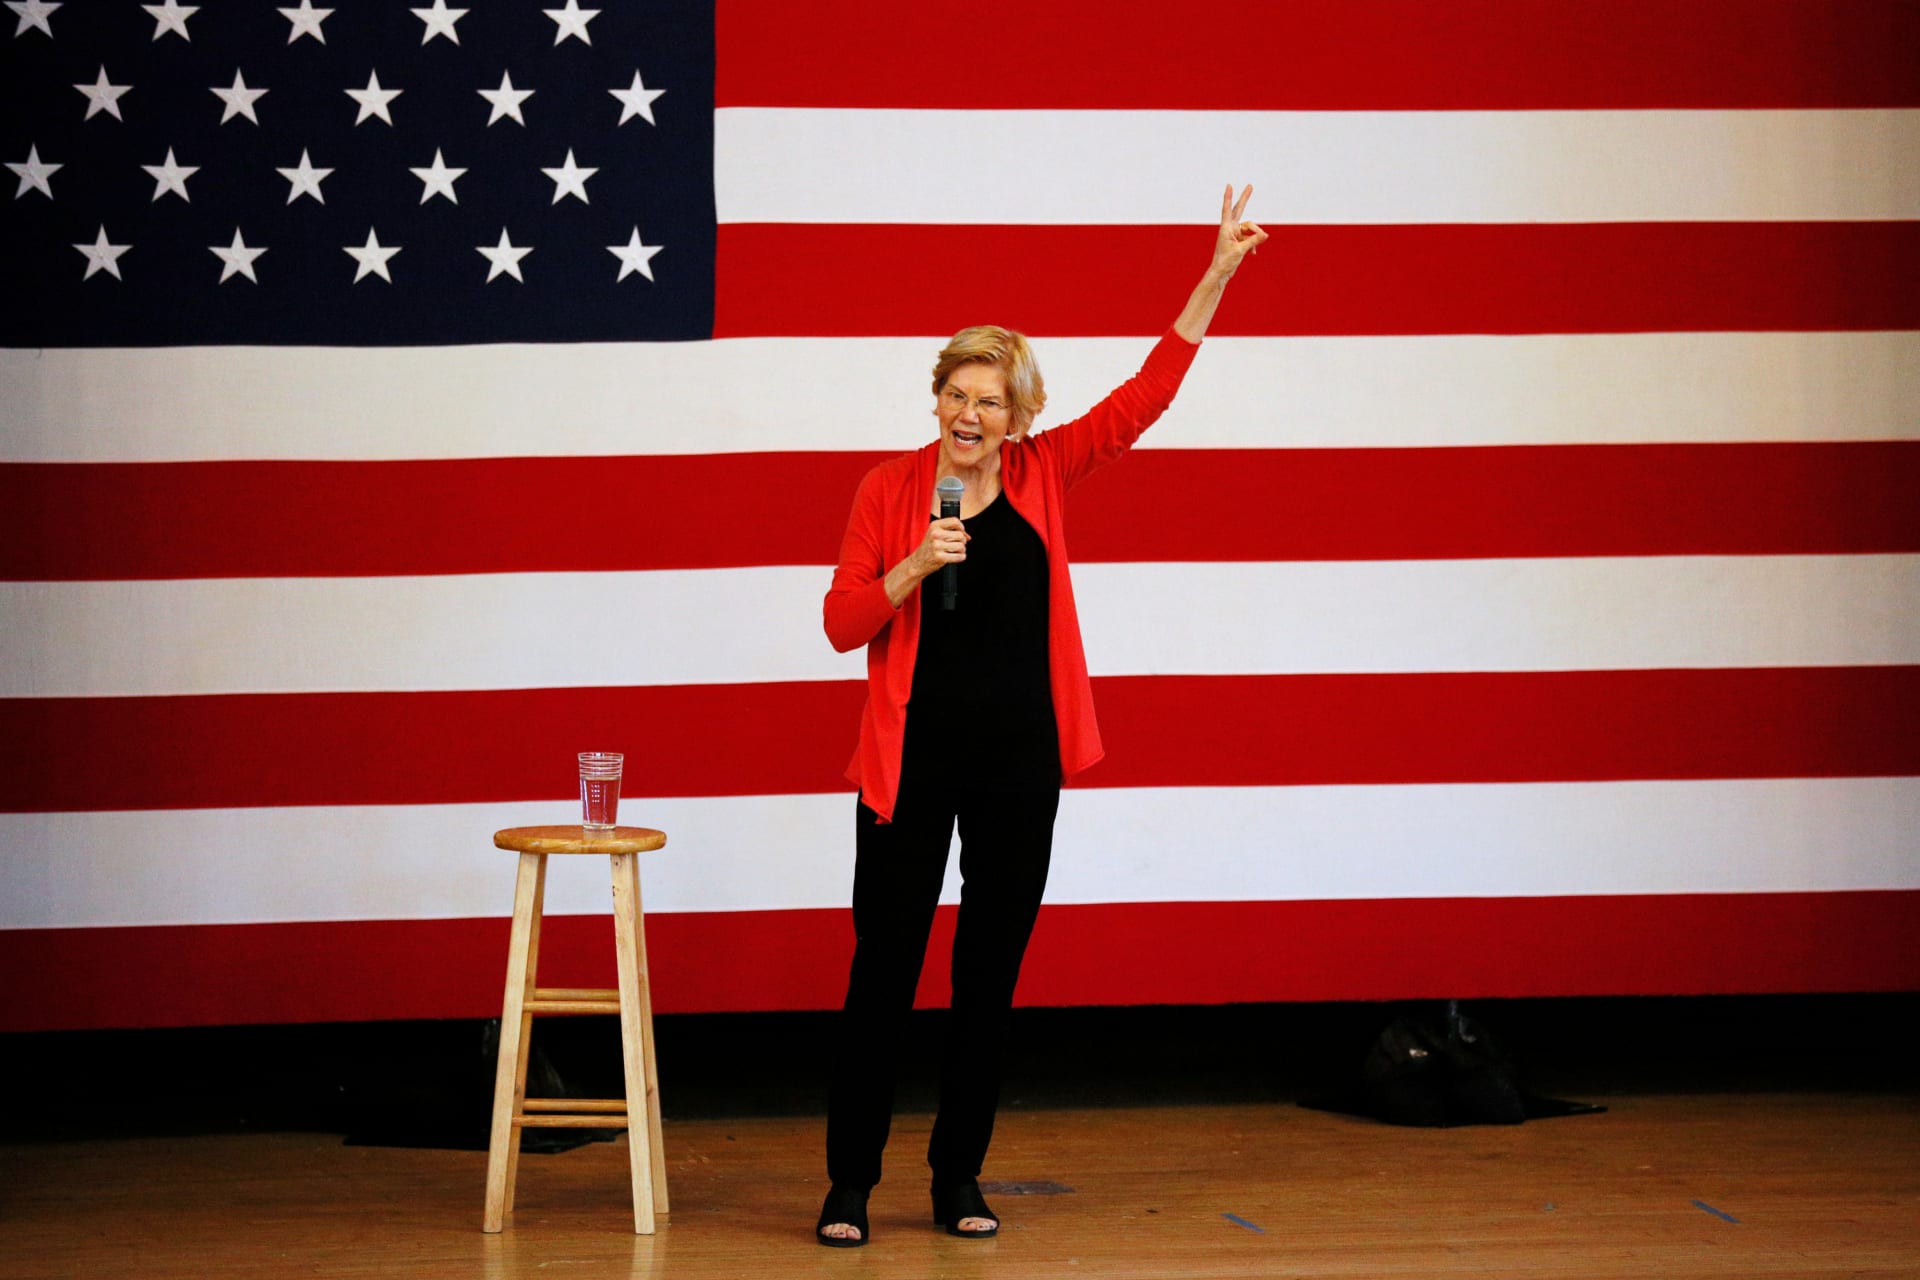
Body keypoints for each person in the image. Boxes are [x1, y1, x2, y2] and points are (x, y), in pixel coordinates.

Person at [815, 186, 1268, 1247]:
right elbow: (840, 624)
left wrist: (1215, 274)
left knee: (988, 976)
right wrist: (915, 565)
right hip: (909, 768)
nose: (972, 416)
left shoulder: (1044, 471)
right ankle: (848, 1185)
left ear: (1019, 417)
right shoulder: (888, 492)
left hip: (1019, 767)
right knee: (883, 970)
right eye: (958, 395)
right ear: (936, 400)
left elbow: (1143, 397)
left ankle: (957, 1178)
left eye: (994, 401)